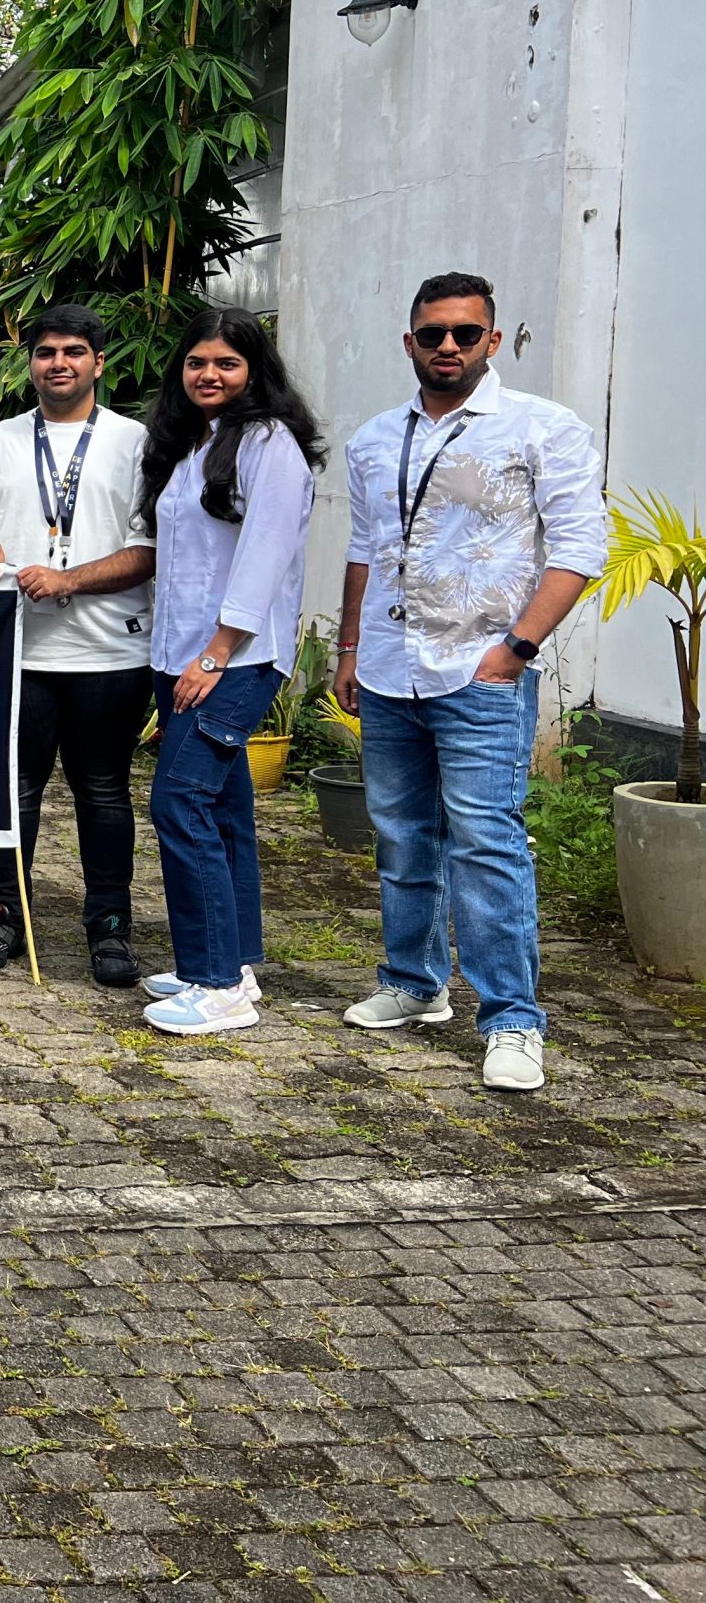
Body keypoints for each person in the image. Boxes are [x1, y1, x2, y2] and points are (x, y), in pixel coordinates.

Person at [331, 272, 604, 1094]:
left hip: (480, 670)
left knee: (486, 841)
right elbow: (362, 548)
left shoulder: (544, 429)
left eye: (463, 332)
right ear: (408, 342)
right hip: (386, 670)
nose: (446, 346)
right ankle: (413, 985)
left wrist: (514, 652)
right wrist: (347, 648)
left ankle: (513, 1019)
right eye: (431, 333)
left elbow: (579, 549)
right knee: (402, 834)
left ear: (491, 339)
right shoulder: (376, 438)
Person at [0, 303, 159, 987]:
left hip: (109, 654)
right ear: (31, 363)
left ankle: (109, 927)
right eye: (46, 352)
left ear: (99, 362)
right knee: (12, 792)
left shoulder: (135, 443)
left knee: (103, 793)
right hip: (17, 651)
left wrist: (70, 578)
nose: (59, 363)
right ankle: (1, 917)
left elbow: (150, 549)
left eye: (74, 351)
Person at [134, 309, 324, 1038]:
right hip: (179, 655)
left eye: (226, 363)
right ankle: (229, 960)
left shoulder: (269, 442)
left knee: (178, 801)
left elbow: (265, 554)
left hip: (234, 659)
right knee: (221, 807)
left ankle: (216, 986)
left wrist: (216, 651)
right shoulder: (191, 442)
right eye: (196, 362)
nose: (208, 374)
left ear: (255, 371)